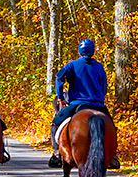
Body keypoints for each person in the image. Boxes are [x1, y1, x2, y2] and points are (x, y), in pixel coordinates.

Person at [48, 38, 118, 169]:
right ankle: (113, 156)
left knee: (55, 123)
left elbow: (59, 78)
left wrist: (61, 97)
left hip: (77, 103)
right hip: (98, 105)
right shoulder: (99, 66)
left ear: (80, 51)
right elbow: (104, 86)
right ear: (92, 51)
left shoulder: (71, 65)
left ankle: (56, 154)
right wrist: (100, 98)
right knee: (111, 127)